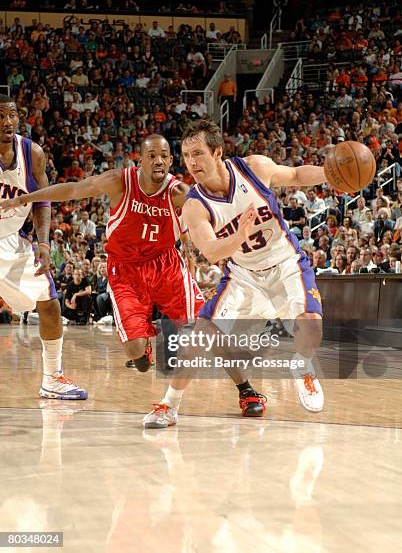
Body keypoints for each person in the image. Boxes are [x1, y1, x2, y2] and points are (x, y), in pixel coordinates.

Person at [144, 120, 325, 428]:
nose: (192, 162)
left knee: (311, 328)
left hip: (286, 262)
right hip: (243, 274)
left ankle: (303, 367)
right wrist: (240, 235)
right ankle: (169, 405)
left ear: (218, 152)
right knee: (201, 333)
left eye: (199, 153)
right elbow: (212, 251)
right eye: (187, 155)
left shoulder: (254, 167)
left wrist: (331, 175)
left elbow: (295, 175)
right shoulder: (194, 205)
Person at [0, 134, 205, 371]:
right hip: (126, 267)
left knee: (206, 326)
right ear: (140, 160)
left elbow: (197, 221)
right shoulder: (119, 180)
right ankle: (142, 344)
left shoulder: (179, 192)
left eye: (163, 156)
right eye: (151, 156)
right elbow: (73, 190)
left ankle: (245, 388)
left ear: (170, 161)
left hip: (164, 263)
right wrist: (26, 198)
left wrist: (192, 253)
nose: (158, 160)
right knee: (138, 359)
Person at [0, 94, 87, 399]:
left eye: (11, 115)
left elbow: (43, 199)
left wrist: (43, 243)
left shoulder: (32, 153)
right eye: (0, 116)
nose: (7, 122)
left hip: (11, 240)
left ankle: (52, 377)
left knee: (49, 302)